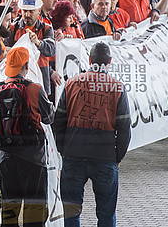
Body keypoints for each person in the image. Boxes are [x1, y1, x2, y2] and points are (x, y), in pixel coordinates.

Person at [53, 42, 131, 227]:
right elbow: (125, 127)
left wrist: (64, 150)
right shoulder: (117, 88)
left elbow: (59, 121)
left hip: (74, 155)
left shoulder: (71, 83)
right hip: (104, 157)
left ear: (89, 60)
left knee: (71, 212)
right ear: (109, 62)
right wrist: (115, 157)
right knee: (106, 214)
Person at [0, 47, 53, 227]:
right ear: (26, 66)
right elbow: (49, 117)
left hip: (6, 157)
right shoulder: (35, 89)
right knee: (35, 211)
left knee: (9, 211)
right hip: (34, 158)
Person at [6, 0, 56, 94]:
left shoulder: (46, 28)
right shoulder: (13, 28)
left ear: (39, 10)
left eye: (31, 11)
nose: (27, 14)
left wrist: (38, 43)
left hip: (41, 78)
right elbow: (6, 50)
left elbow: (51, 50)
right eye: (24, 11)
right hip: (17, 80)